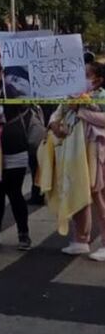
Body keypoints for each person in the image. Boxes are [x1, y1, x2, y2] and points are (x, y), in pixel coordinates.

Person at [0, 63, 42, 251]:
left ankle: (24, 234)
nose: (7, 78)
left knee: (15, 194)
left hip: (16, 151)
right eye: (5, 74)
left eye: (14, 77)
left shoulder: (24, 99)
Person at [47, 61, 105, 259]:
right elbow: (58, 112)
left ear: (98, 79)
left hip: (96, 151)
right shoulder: (72, 94)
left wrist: (81, 108)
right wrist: (54, 124)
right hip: (73, 152)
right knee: (77, 191)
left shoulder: (100, 96)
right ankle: (81, 239)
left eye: (87, 74)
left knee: (99, 196)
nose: (83, 76)